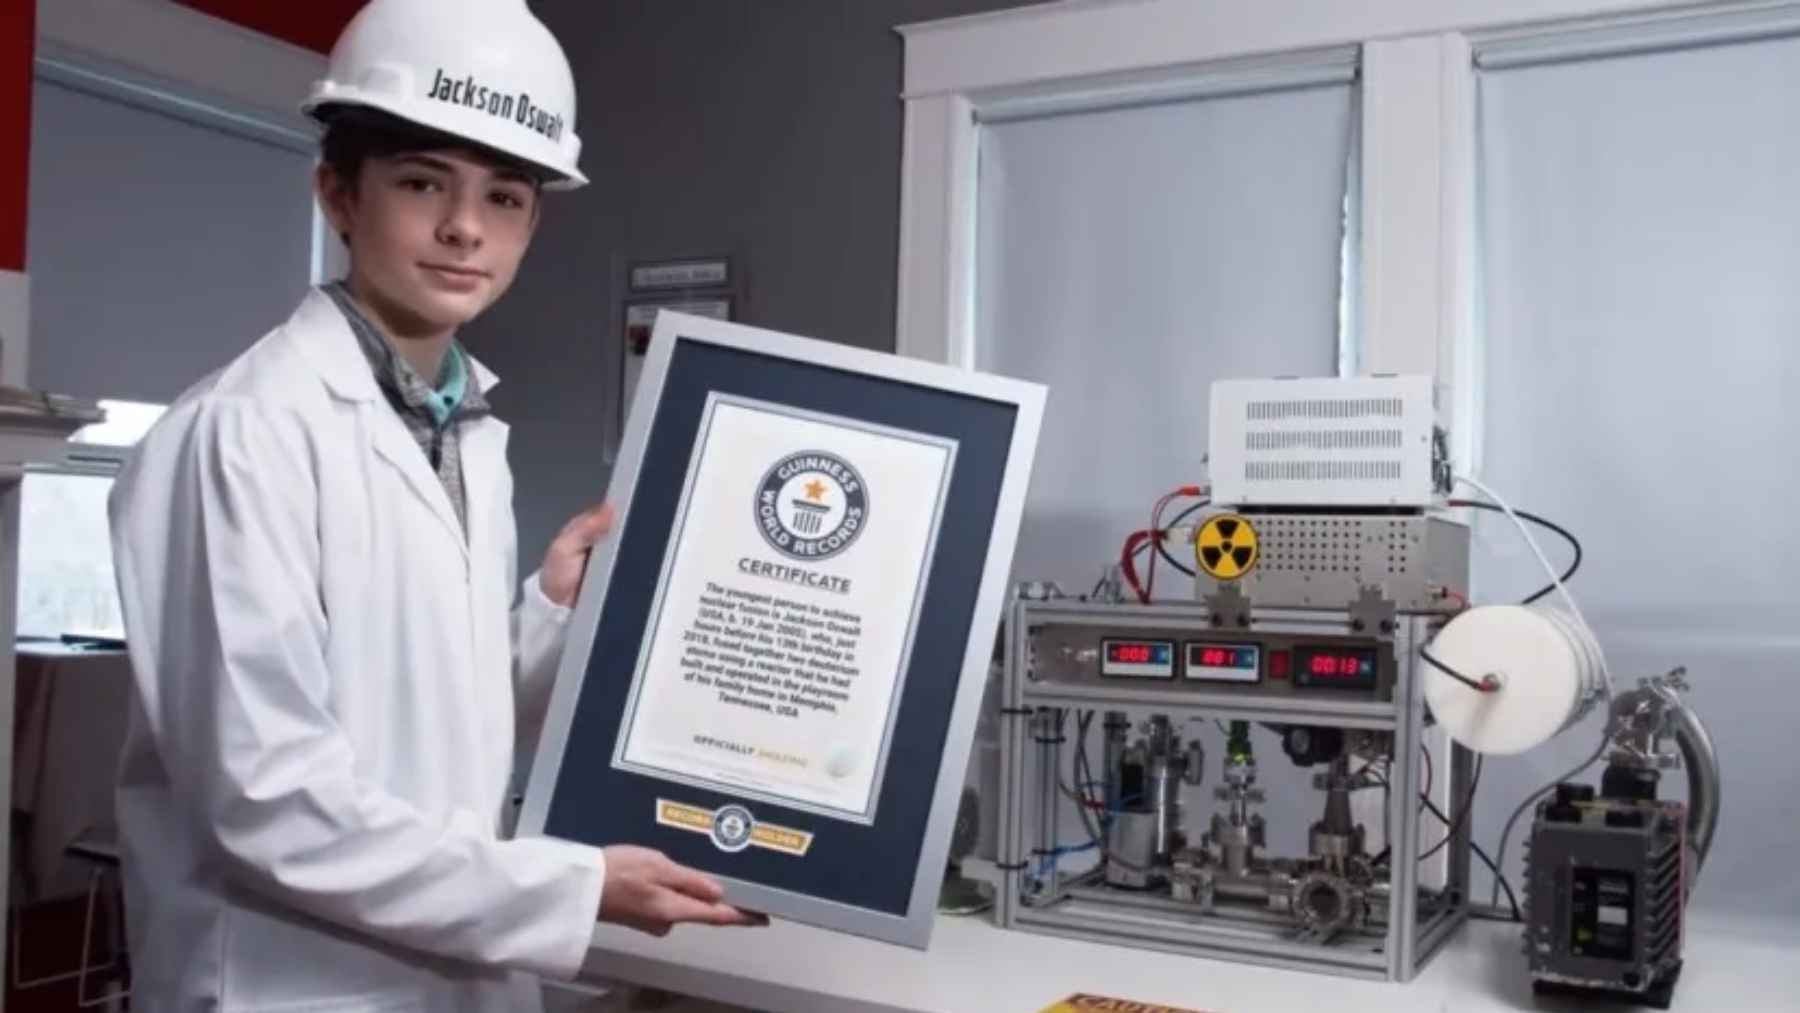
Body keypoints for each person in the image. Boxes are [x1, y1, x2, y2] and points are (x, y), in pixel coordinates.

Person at [105, 1, 761, 1008]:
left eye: (504, 197)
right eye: (423, 183)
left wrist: (548, 610)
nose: (465, 227)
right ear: (337, 193)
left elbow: (429, 712)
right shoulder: (242, 434)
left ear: (533, 221)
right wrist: (575, 884)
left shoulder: (464, 430)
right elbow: (267, 798)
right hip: (289, 985)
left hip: (450, 977)